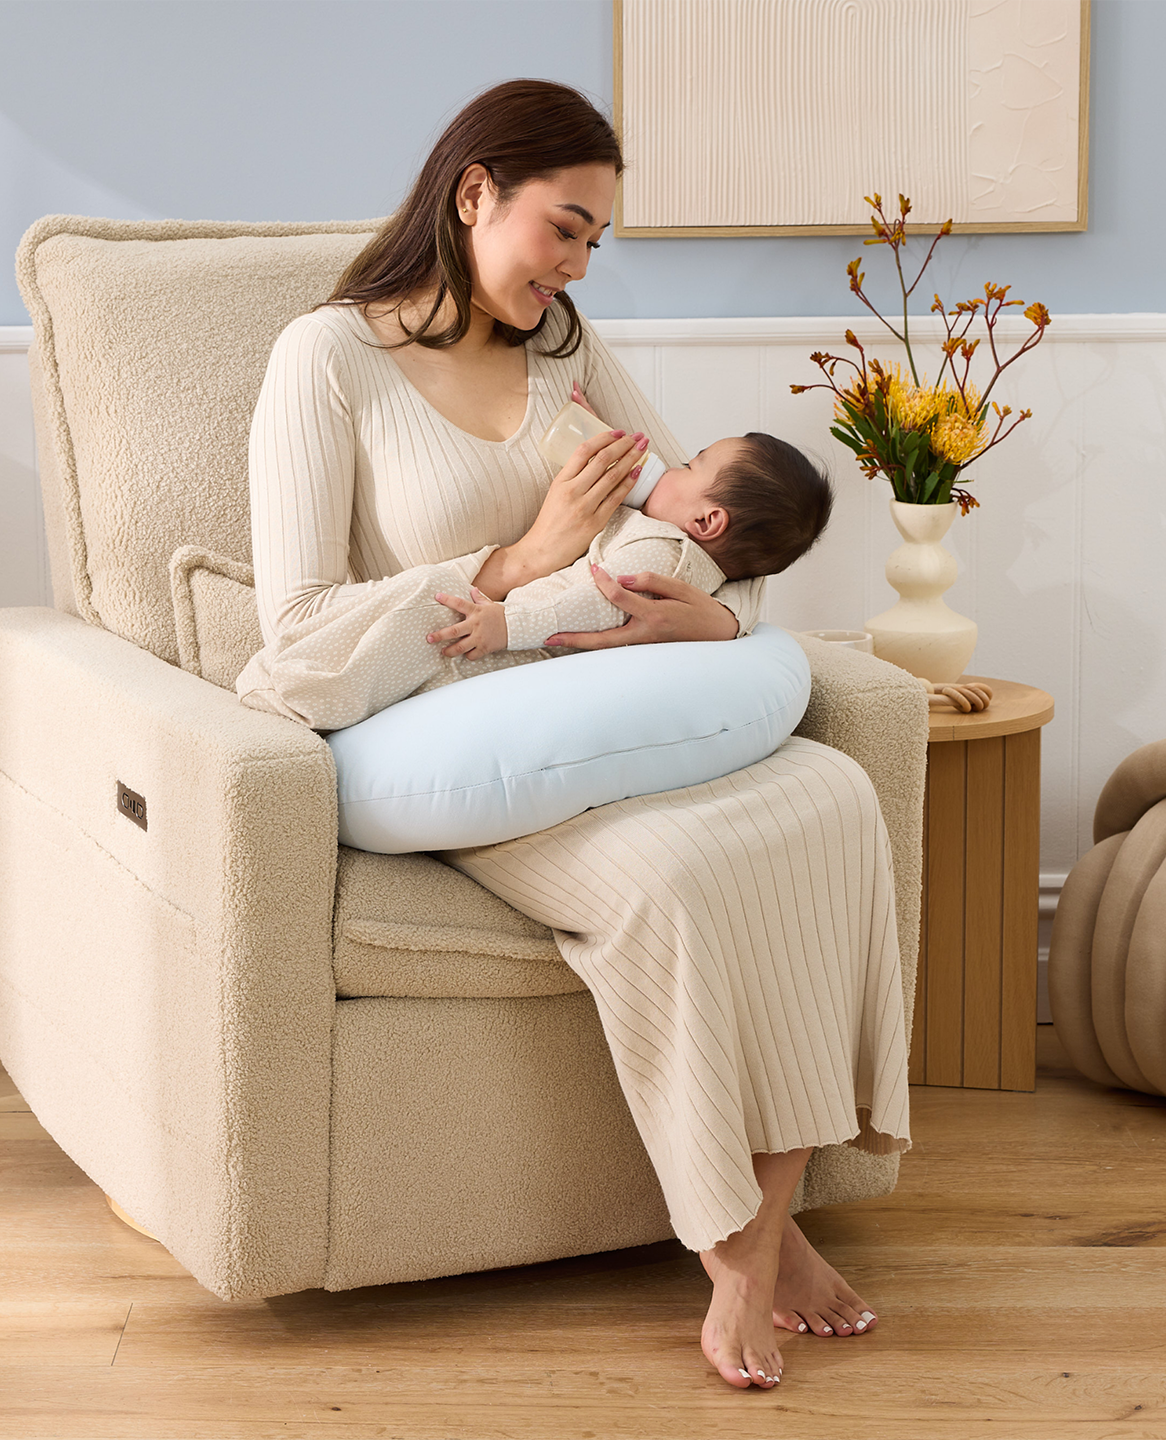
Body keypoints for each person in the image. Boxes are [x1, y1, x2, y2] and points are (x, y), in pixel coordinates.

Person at [247, 78, 909, 1391]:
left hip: (622, 706)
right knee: (673, 876)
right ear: (474, 190)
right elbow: (301, 639)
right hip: (461, 746)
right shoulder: (326, 361)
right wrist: (518, 560)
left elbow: (716, 532)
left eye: (597, 240)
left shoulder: (567, 353)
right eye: (563, 226)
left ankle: (771, 1233)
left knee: (828, 801)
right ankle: (739, 1246)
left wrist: (712, 633)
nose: (575, 266)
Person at [236, 431, 833, 732]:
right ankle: (307, 682)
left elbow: (590, 601)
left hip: (516, 645)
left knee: (424, 616)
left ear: (707, 520)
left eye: (690, 465)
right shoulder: (695, 557)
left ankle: (304, 695)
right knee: (417, 626)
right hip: (513, 633)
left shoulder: (666, 552)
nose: (670, 465)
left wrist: (506, 623)